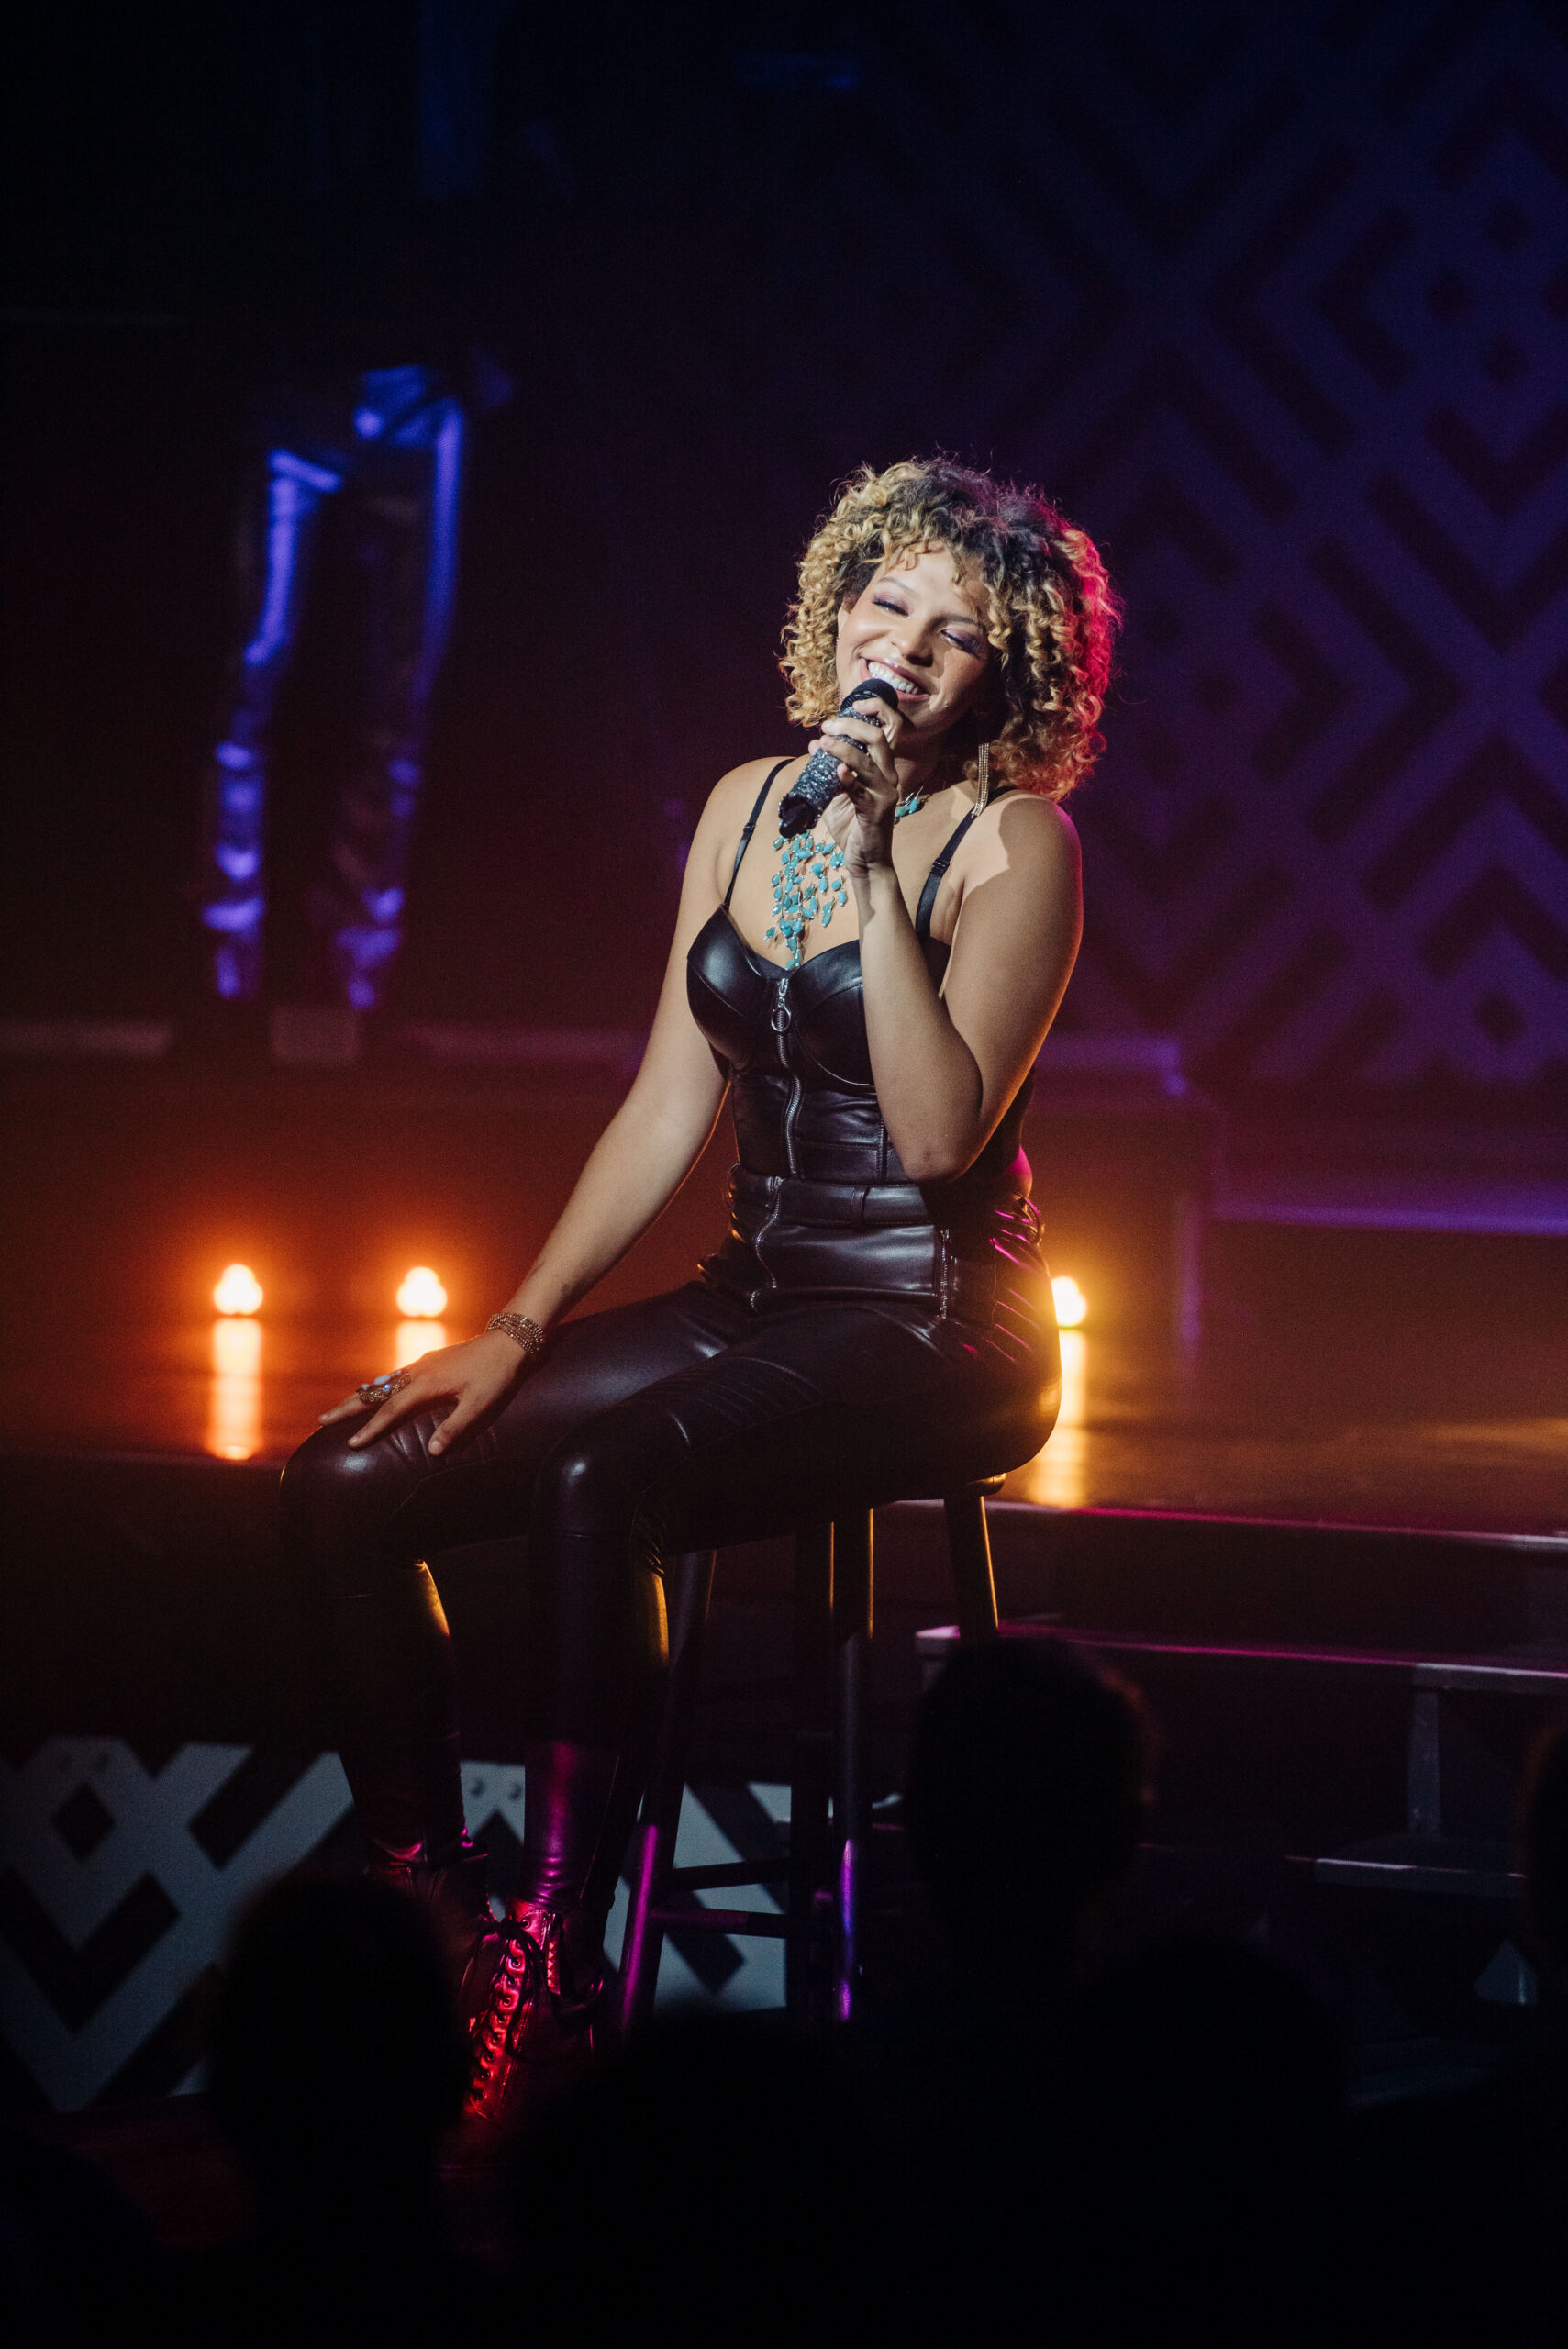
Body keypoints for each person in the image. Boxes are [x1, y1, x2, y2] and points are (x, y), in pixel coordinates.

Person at [279, 455, 1118, 2124]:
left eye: (955, 635)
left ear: (1006, 676)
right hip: (758, 1293)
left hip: (938, 1320)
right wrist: (514, 1329)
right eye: (886, 605)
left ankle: (554, 1962)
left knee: (607, 1479)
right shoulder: (744, 804)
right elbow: (670, 1101)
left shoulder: (1015, 845)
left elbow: (937, 1139)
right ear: (837, 611)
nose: (905, 651)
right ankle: (432, 1899)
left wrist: (867, 870)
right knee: (344, 1480)